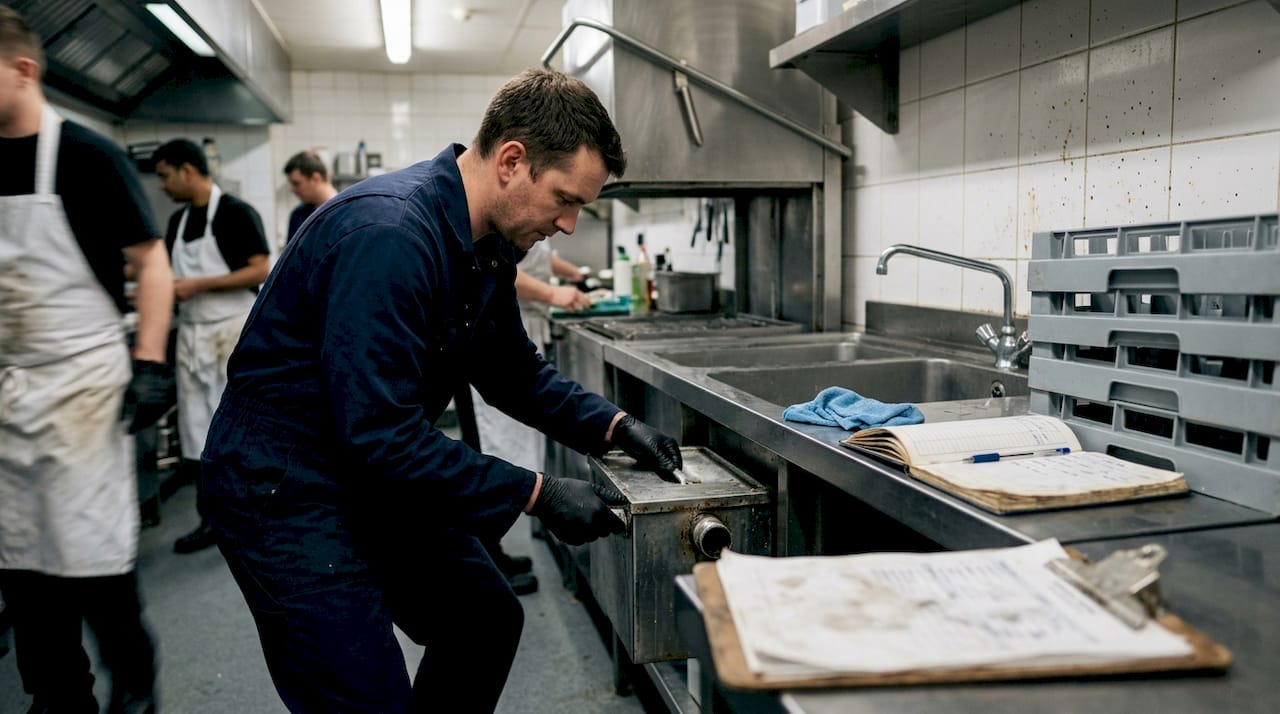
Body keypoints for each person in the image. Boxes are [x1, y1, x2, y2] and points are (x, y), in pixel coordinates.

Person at [200, 68, 683, 713]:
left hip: (363, 468)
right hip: (284, 486)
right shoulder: (391, 236)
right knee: (368, 701)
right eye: (566, 199)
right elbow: (380, 434)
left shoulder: (484, 247)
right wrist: (535, 495)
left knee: (483, 619)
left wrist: (615, 427)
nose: (569, 224)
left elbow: (513, 371)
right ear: (513, 161)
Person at [0, 7, 175, 712]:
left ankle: (134, 685)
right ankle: (58, 696)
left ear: (23, 70)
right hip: (10, 391)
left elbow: (151, 262)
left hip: (81, 387)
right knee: (24, 566)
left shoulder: (84, 154)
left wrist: (150, 362)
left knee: (94, 562)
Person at [152, 138, 270, 554]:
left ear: (188, 170)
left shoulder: (236, 213)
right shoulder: (177, 223)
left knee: (241, 431)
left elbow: (260, 268)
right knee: (197, 433)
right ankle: (213, 521)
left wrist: (198, 285)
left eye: (165, 175)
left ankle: (255, 516)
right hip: (194, 335)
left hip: (232, 332)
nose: (162, 185)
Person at [471, 241, 592, 595]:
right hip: (497, 342)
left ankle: (493, 556)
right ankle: (485, 566)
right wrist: (553, 293)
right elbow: (505, 272)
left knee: (509, 453)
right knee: (499, 453)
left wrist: (573, 275)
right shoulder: (498, 230)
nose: (566, 225)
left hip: (514, 336)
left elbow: (533, 259)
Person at [282, 149, 338, 241]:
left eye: (296, 183)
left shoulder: (345, 211)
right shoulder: (299, 215)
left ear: (316, 178)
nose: (292, 190)